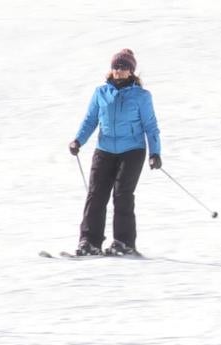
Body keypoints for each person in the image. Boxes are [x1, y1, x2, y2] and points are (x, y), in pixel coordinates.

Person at [69, 49, 162, 256]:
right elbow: (90, 120)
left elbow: (151, 125)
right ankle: (89, 242)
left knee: (122, 195)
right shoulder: (100, 93)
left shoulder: (142, 96)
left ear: (131, 71)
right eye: (115, 67)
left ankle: (124, 242)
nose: (118, 70)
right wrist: (78, 140)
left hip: (132, 151)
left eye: (123, 67)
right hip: (104, 150)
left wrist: (155, 153)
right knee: (96, 195)